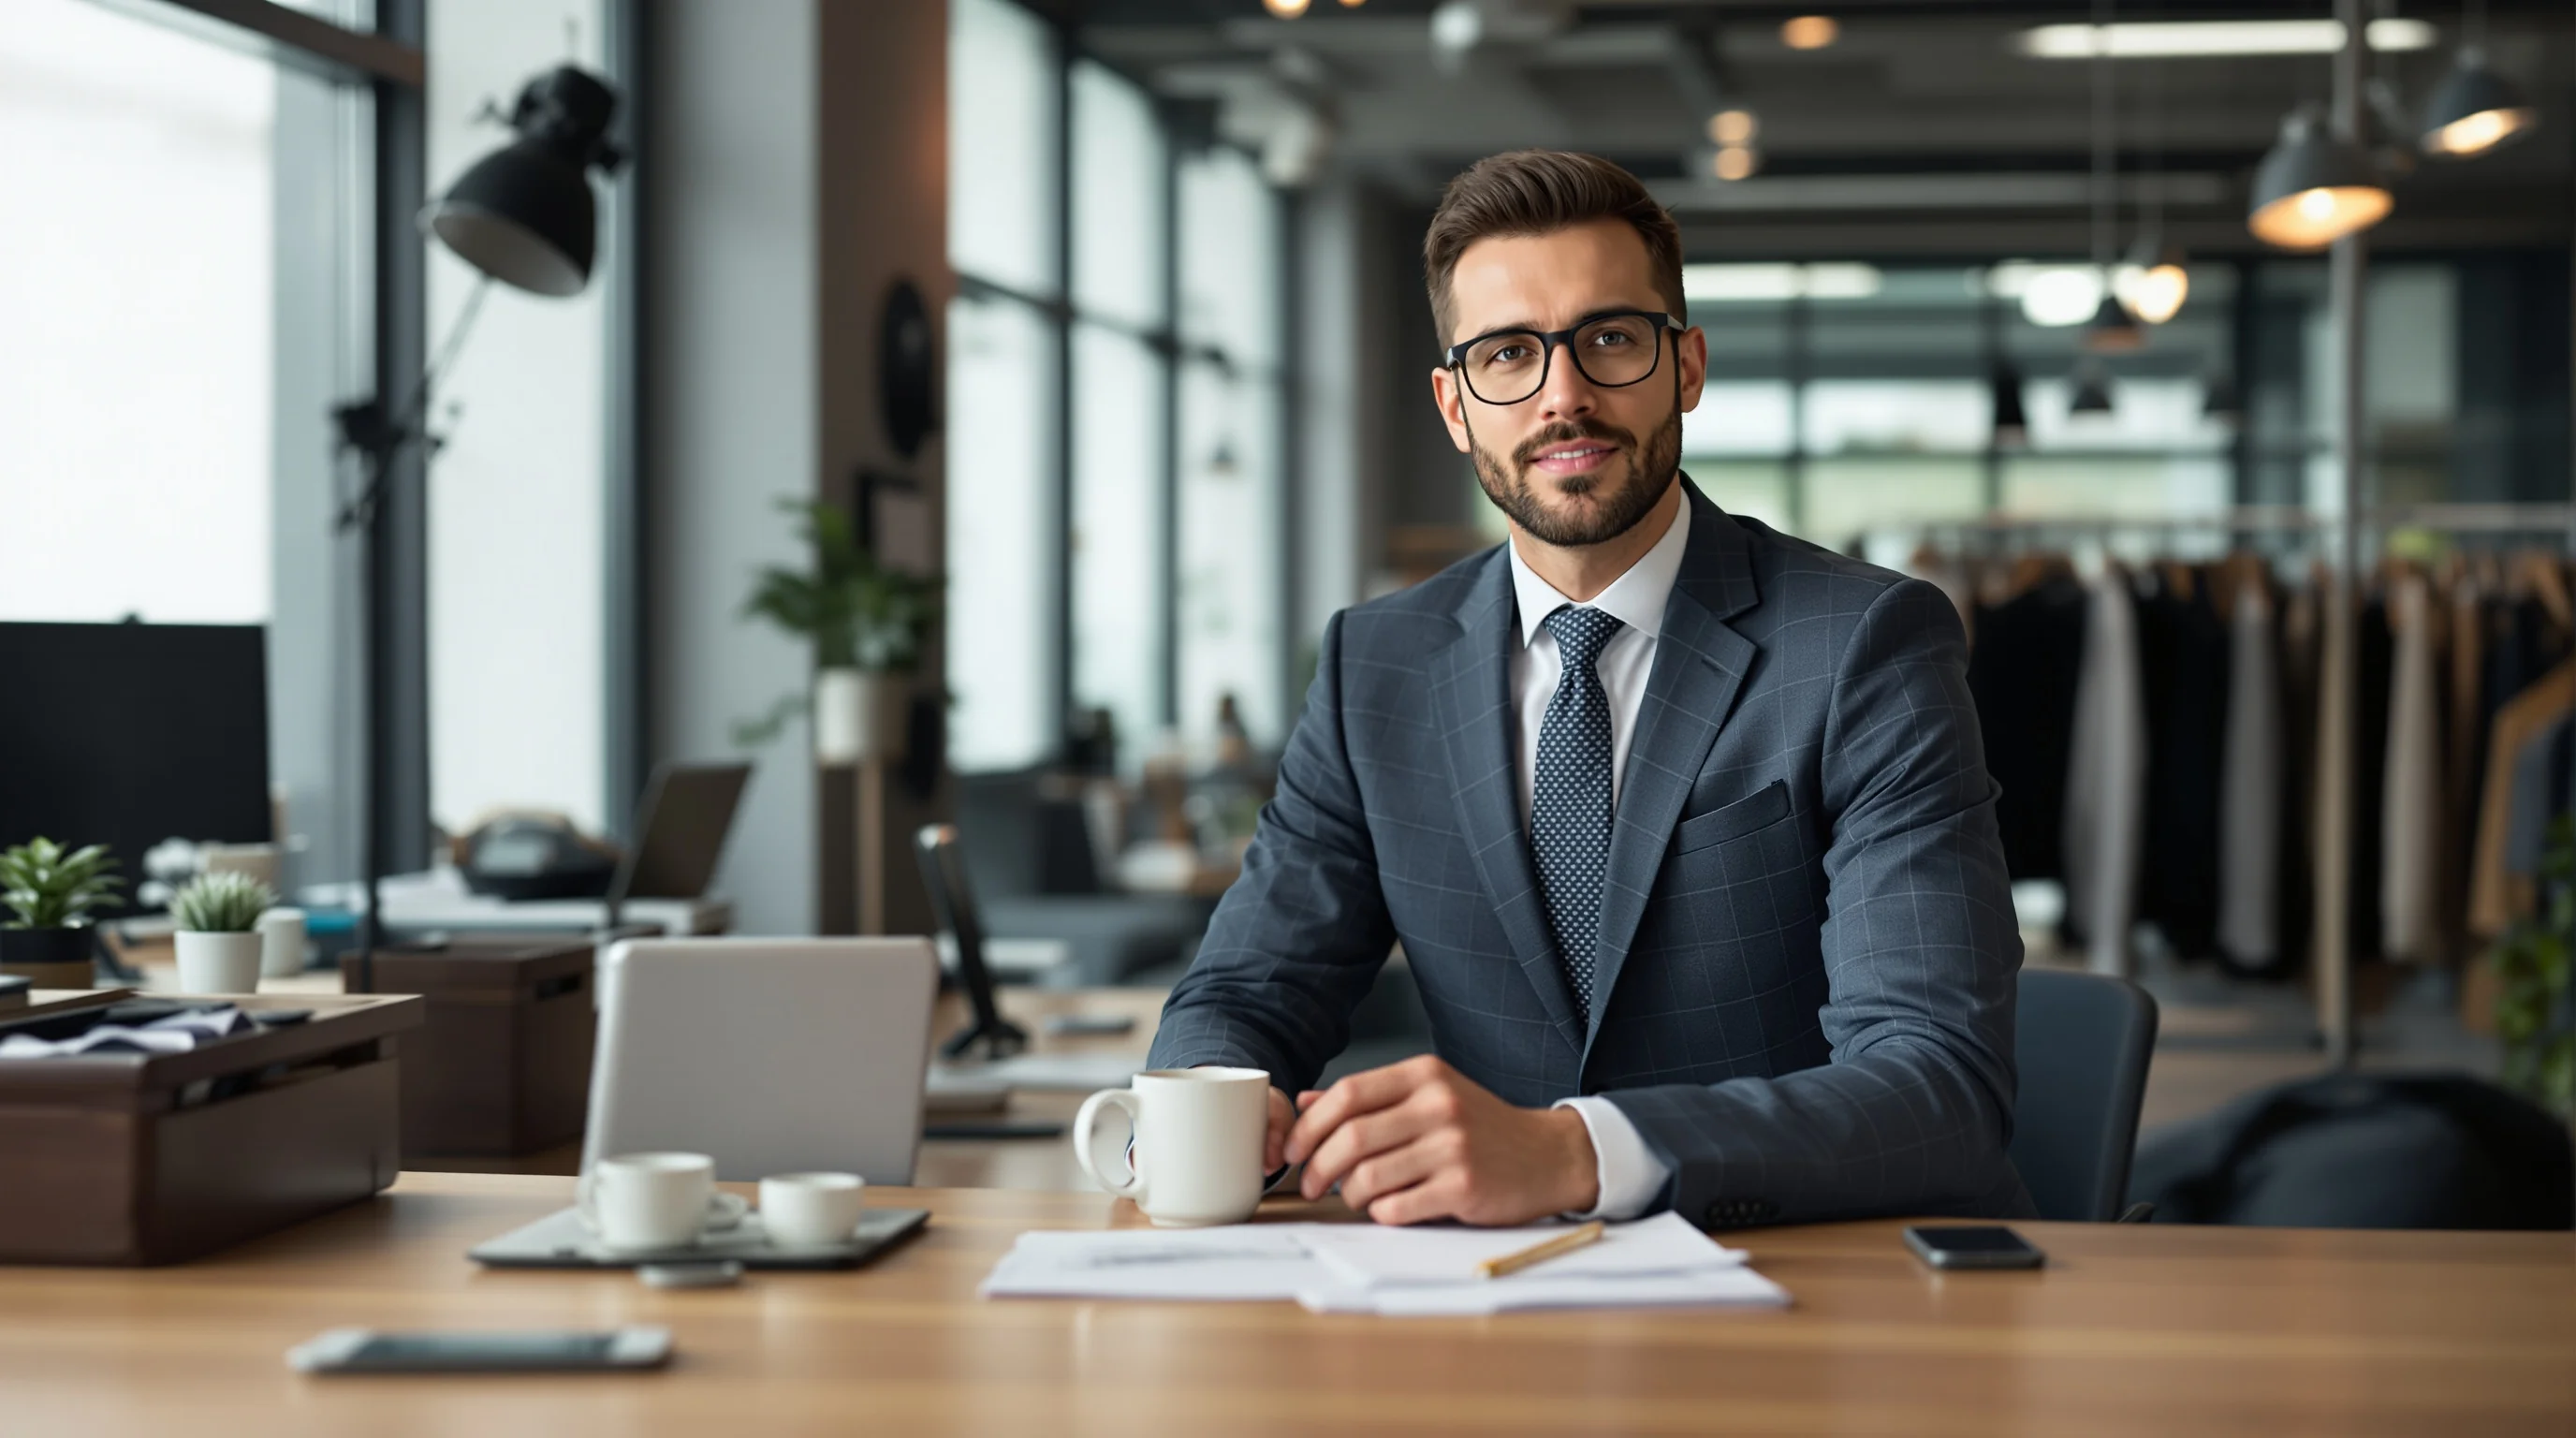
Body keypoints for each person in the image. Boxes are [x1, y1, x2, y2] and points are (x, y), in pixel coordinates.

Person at [1146, 150, 2031, 1231]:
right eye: (1508, 354)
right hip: (1488, 1296)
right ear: (1455, 405)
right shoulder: (1374, 665)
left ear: (1686, 366)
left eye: (1610, 339)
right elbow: (1246, 992)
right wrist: (1208, 1121)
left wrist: (1578, 1151)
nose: (1563, 395)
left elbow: (1938, 1084)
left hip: (1814, 1278)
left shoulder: (1862, 645)